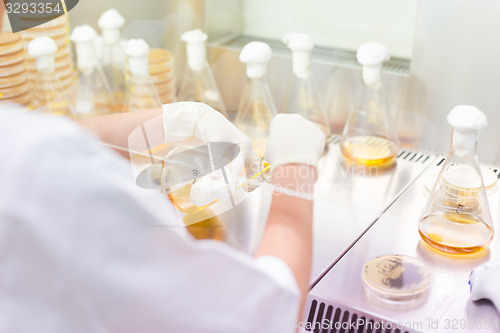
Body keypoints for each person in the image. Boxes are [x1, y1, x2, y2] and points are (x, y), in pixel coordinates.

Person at [0, 102, 325, 332]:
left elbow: (32, 137)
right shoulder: (38, 176)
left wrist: (175, 120)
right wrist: (296, 167)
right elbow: (264, 317)